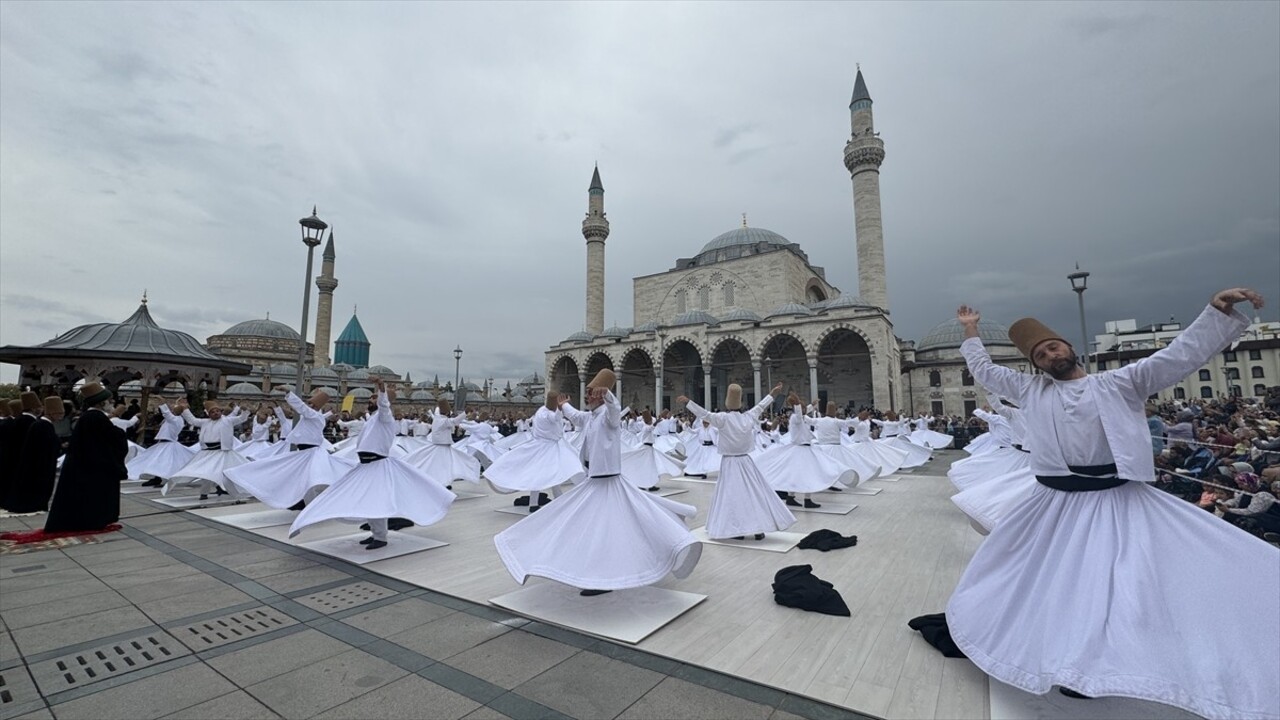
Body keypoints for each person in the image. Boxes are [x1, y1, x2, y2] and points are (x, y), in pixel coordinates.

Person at [910, 289, 1279, 719]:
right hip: (1054, 504)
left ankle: (1104, 662)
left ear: (1068, 347)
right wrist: (970, 331)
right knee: (1027, 574)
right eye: (1041, 354)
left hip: (1115, 500)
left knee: (1115, 586)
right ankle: (1022, 637)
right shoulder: (1030, 390)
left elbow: (1178, 356)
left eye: (1054, 346)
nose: (1050, 355)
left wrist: (1215, 314)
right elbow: (984, 371)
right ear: (1036, 365)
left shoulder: (1120, 383)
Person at [494, 369, 701, 595]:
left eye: (591, 393)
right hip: (595, 483)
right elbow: (575, 416)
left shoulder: (607, 416)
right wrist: (564, 406)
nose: (587, 397)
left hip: (608, 483)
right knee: (586, 526)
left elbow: (614, 410)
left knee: (606, 530)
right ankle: (593, 572)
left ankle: (604, 577)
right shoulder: (590, 416)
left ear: (601, 396)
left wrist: (609, 394)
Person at [290, 377, 454, 550]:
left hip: (377, 465)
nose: (370, 400)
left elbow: (384, 407)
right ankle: (376, 533)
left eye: (374, 398)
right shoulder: (373, 419)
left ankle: (380, 537)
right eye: (370, 398)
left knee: (376, 501)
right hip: (366, 465)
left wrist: (382, 389)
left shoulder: (385, 417)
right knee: (367, 499)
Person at [679, 383, 795, 541]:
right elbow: (761, 406)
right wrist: (773, 394)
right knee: (753, 494)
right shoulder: (748, 416)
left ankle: (738, 529)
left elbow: (704, 414)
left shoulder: (722, 419)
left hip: (730, 463)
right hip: (746, 462)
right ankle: (757, 527)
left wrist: (688, 402)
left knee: (732, 496)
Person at [224, 389, 355, 510]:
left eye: (310, 404)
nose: (308, 405)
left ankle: (311, 503)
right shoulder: (313, 417)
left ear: (314, 407)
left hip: (311, 453)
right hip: (304, 452)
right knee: (295, 475)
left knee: (313, 478)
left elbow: (302, 408)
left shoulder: (313, 416)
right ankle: (301, 500)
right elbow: (301, 412)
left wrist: (288, 393)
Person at [44, 383, 127, 532]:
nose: (112, 403)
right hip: (95, 467)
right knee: (93, 497)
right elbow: (114, 438)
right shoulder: (97, 417)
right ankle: (92, 521)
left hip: (84, 465)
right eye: (109, 401)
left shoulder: (88, 417)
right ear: (102, 403)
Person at [484, 390, 585, 512]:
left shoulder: (541, 410)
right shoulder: (545, 414)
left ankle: (550, 500)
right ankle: (544, 501)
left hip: (544, 446)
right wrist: (559, 409)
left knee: (550, 473)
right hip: (547, 447)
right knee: (546, 474)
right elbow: (554, 418)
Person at [754, 393, 856, 508]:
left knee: (799, 474)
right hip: (801, 449)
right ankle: (806, 499)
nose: (804, 410)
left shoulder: (799, 417)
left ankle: (791, 497)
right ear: (796, 408)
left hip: (803, 449)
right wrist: (797, 403)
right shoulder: (796, 418)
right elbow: (799, 413)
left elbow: (803, 412)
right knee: (808, 474)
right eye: (801, 407)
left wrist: (811, 405)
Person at [167, 399, 251, 499]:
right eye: (212, 412)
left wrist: (245, 410)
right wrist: (185, 408)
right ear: (209, 414)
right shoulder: (205, 422)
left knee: (228, 472)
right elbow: (192, 420)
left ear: (220, 411)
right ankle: (204, 493)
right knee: (207, 473)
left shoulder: (228, 420)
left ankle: (231, 490)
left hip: (222, 452)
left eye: (217, 411)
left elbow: (242, 418)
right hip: (208, 452)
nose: (215, 413)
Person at [9, 396, 64, 513]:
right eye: (59, 413)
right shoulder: (43, 426)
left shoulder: (39, 424)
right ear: (53, 412)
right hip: (39, 465)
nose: (61, 417)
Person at [128, 401, 198, 487]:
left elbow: (166, 413)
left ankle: (164, 479)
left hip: (168, 444)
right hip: (163, 443)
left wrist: (162, 402)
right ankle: (157, 478)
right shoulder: (174, 419)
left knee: (165, 462)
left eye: (175, 409)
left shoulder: (176, 419)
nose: (173, 410)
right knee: (158, 461)